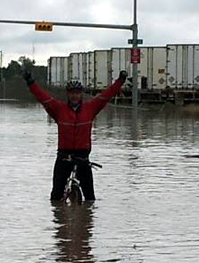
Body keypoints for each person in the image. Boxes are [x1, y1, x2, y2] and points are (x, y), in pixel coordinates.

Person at [23, 70, 128, 201]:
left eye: (77, 93)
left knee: (90, 199)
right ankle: (59, 218)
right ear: (68, 94)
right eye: (72, 93)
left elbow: (106, 95)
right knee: (55, 197)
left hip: (82, 157)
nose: (75, 96)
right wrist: (30, 82)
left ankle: (86, 218)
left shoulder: (91, 108)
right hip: (63, 156)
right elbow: (43, 98)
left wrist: (120, 81)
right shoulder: (59, 109)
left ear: (81, 94)